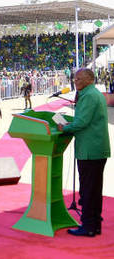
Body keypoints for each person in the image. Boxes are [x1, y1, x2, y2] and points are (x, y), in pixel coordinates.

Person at [57, 68, 110, 237]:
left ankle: (88, 226)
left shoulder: (88, 96)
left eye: (79, 79)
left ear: (88, 79)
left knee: (88, 190)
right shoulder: (94, 93)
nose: (75, 81)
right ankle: (94, 224)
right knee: (94, 189)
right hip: (96, 148)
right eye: (75, 79)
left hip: (89, 150)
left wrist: (65, 128)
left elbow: (82, 122)